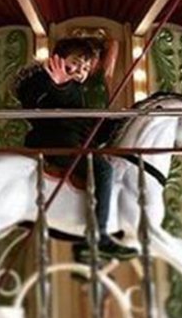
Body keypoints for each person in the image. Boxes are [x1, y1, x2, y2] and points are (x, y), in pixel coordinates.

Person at [13, 35, 134, 258]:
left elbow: (85, 122)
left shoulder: (77, 89)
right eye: (76, 63)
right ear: (57, 59)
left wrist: (122, 120)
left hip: (71, 140)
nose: (81, 70)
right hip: (55, 141)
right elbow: (35, 101)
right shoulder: (42, 78)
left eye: (86, 67)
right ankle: (98, 236)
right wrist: (58, 84)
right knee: (103, 169)